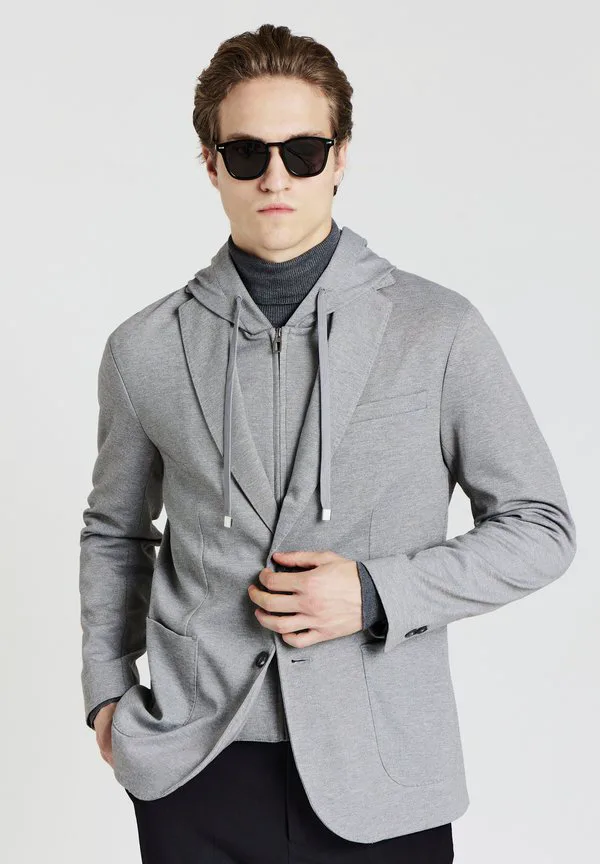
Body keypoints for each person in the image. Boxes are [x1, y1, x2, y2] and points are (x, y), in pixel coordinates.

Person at [80, 23, 576, 864]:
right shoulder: (145, 348)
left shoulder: (437, 330)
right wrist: (106, 692)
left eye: (303, 152)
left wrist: (378, 592)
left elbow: (541, 527)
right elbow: (114, 530)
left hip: (381, 771)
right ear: (210, 163)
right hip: (194, 768)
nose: (275, 177)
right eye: (247, 153)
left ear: (340, 159)